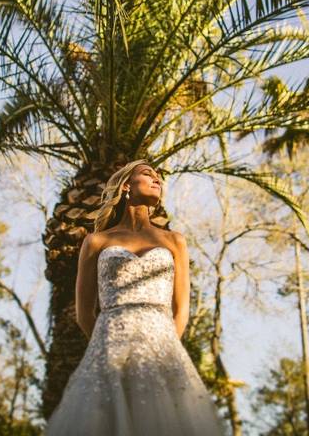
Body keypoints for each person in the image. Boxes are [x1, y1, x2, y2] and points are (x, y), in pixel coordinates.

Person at [45, 159, 227, 435]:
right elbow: (84, 314)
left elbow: (181, 310)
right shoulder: (96, 242)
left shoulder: (174, 240)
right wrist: (107, 347)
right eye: (147, 174)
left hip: (162, 350)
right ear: (126, 186)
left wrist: (164, 349)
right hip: (108, 350)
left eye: (158, 177)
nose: (157, 180)